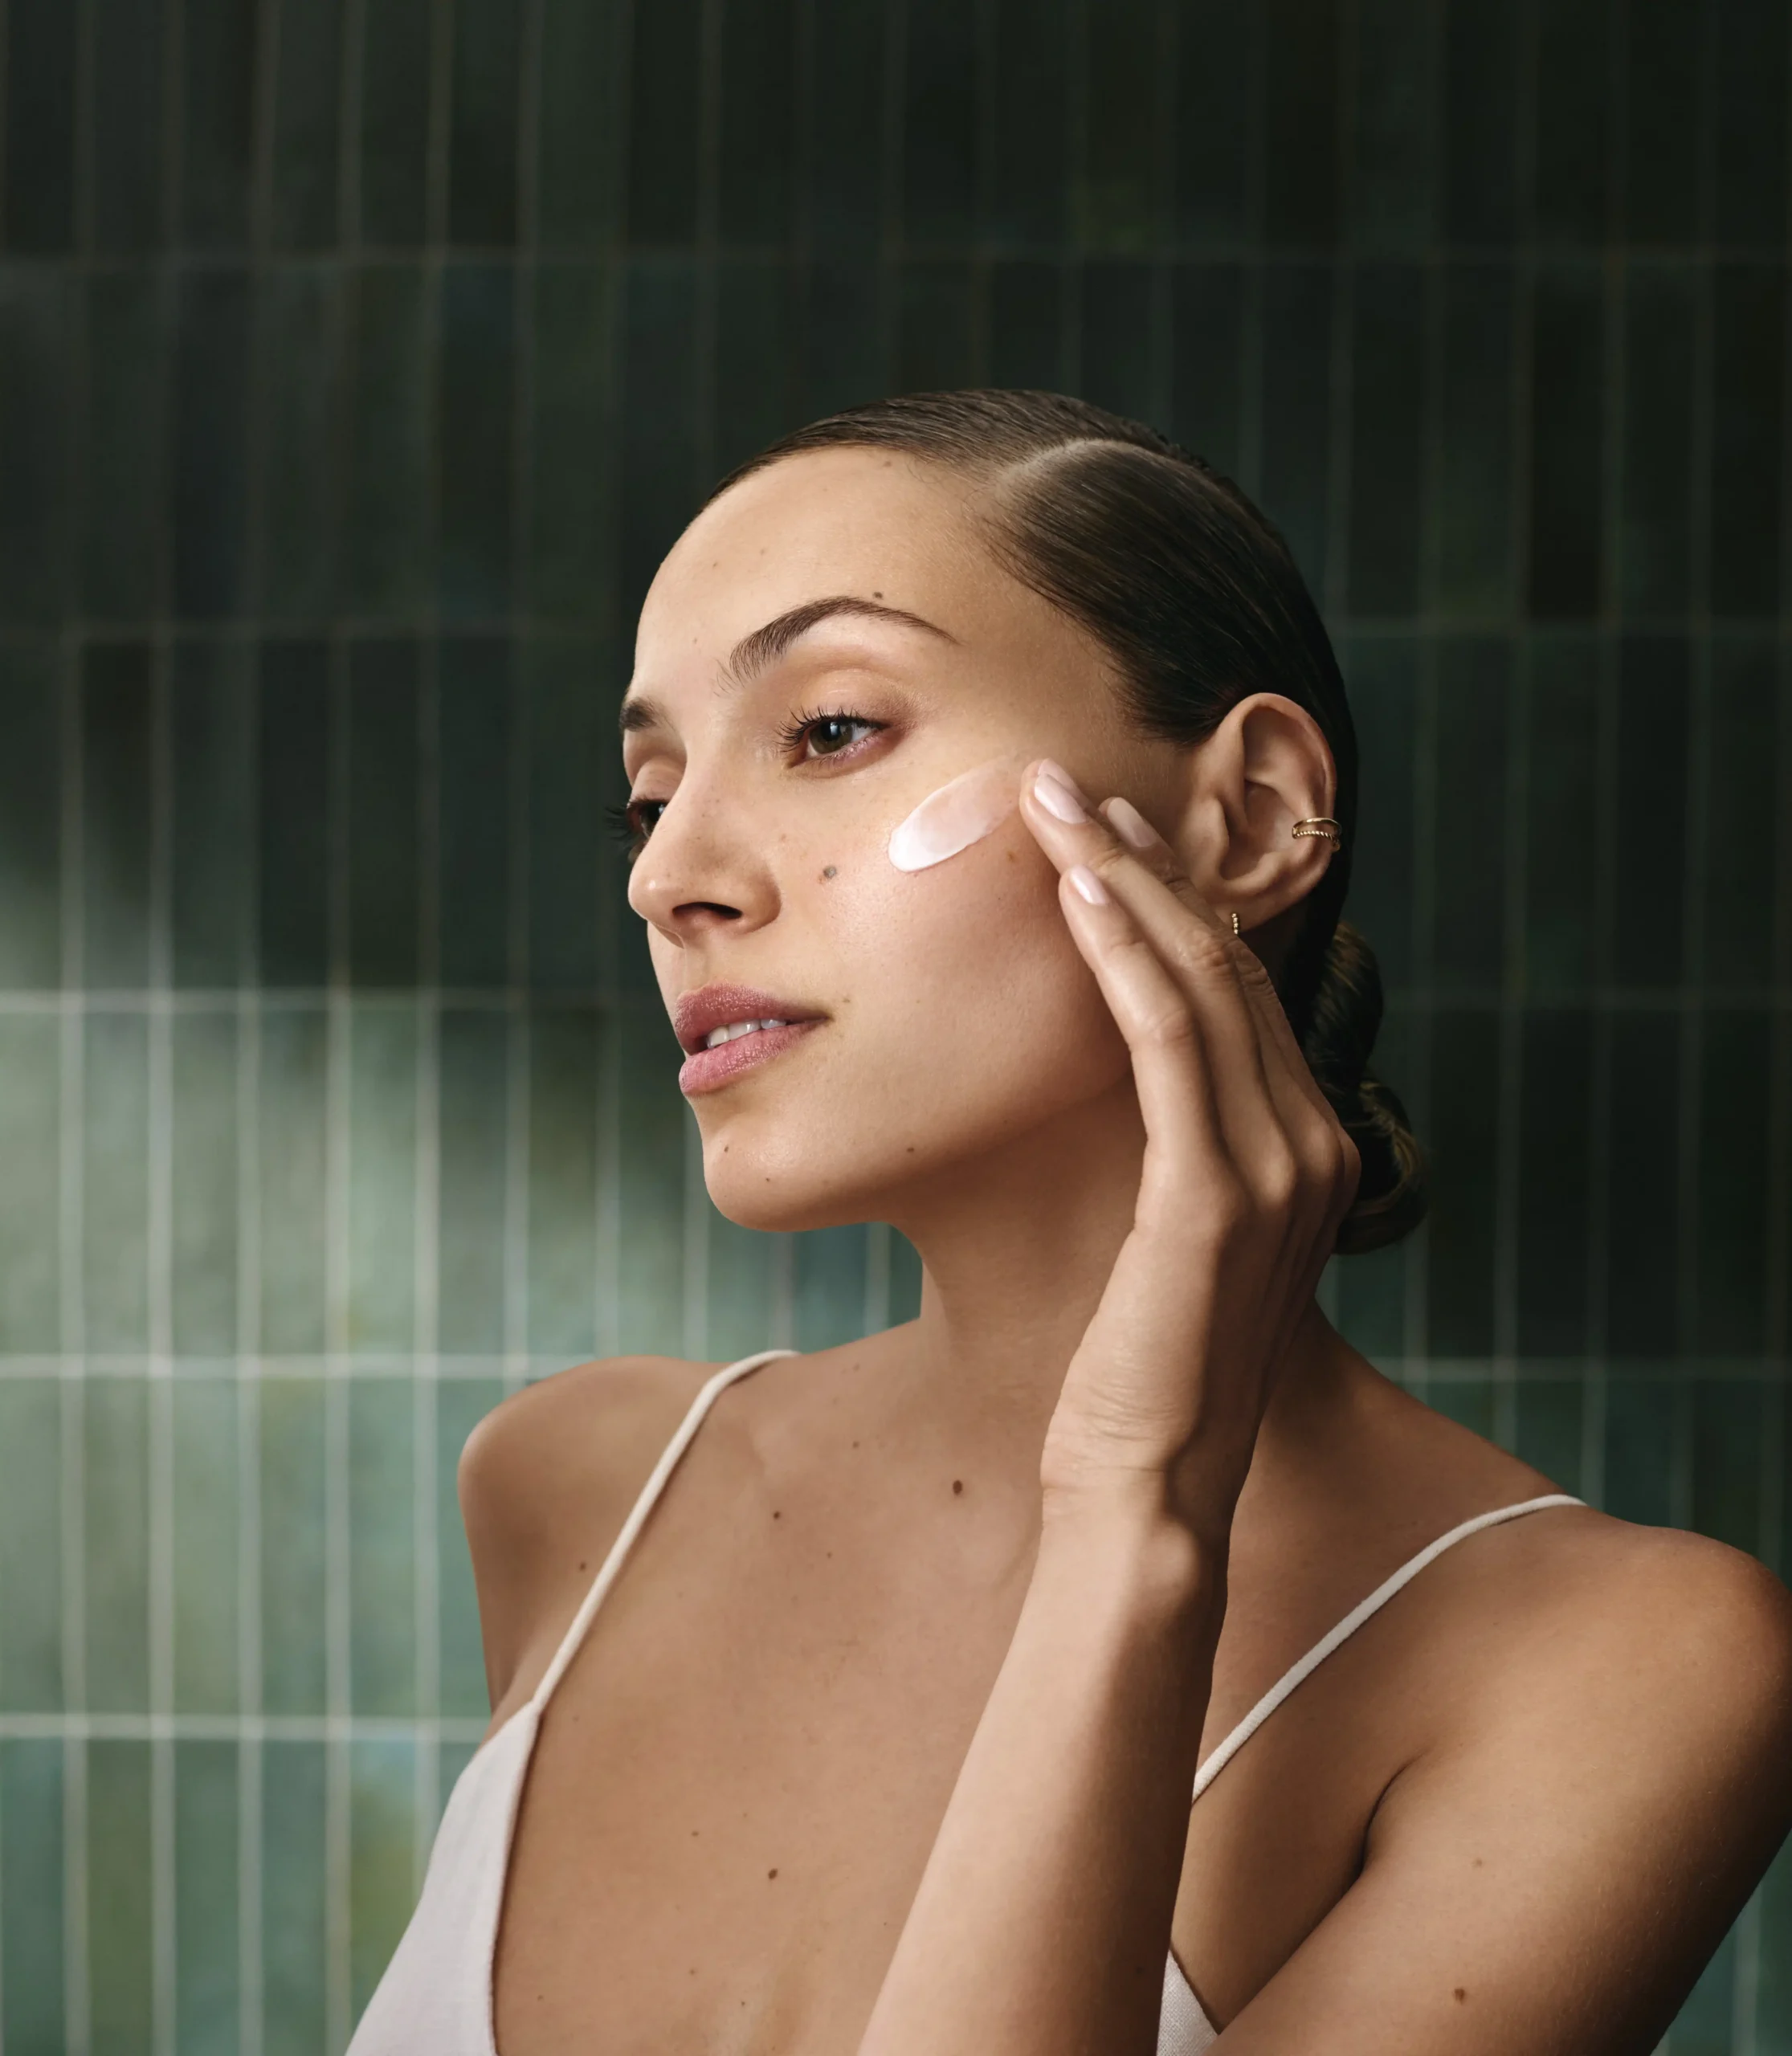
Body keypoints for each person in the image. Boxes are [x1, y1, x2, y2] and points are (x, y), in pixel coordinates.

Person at [347, 390, 1792, 2056]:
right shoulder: (577, 1487)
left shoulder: (1620, 1670)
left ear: (1242, 814)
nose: (664, 875)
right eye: (645, 793)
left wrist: (1133, 1515)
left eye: (826, 730)